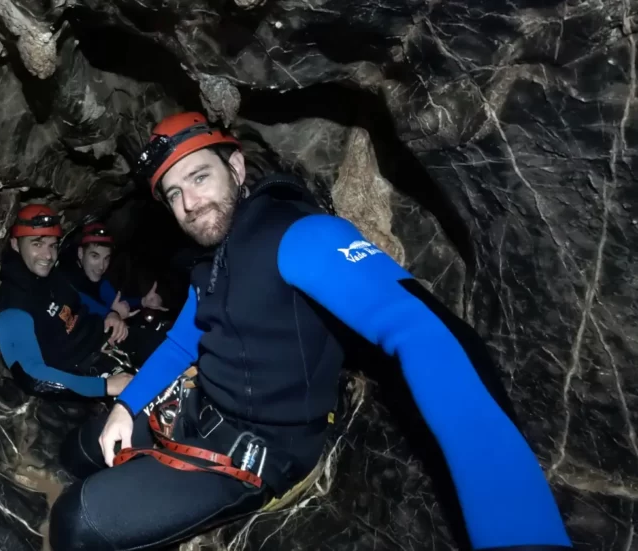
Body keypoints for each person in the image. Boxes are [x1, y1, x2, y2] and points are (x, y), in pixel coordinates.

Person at [48, 113, 572, 550]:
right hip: (201, 412)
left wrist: (522, 534)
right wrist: (127, 405)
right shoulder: (212, 261)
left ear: (236, 166)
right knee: (78, 451)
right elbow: (187, 336)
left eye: (200, 177)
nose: (190, 203)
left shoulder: (301, 235)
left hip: (255, 453)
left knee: (75, 524)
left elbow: (428, 332)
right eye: (174, 193)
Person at [0, 204, 133, 399]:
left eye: (52, 245)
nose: (48, 255)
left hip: (104, 340)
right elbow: (32, 376)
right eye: (37, 244)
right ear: (15, 245)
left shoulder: (52, 276)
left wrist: (108, 315)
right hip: (85, 371)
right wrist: (104, 386)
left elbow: (79, 298)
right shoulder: (12, 304)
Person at [63, 222, 167, 320]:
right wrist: (112, 314)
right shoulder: (67, 282)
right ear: (81, 253)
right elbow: (87, 307)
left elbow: (117, 302)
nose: (101, 266)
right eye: (95, 256)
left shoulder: (100, 281)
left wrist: (143, 301)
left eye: (106, 258)